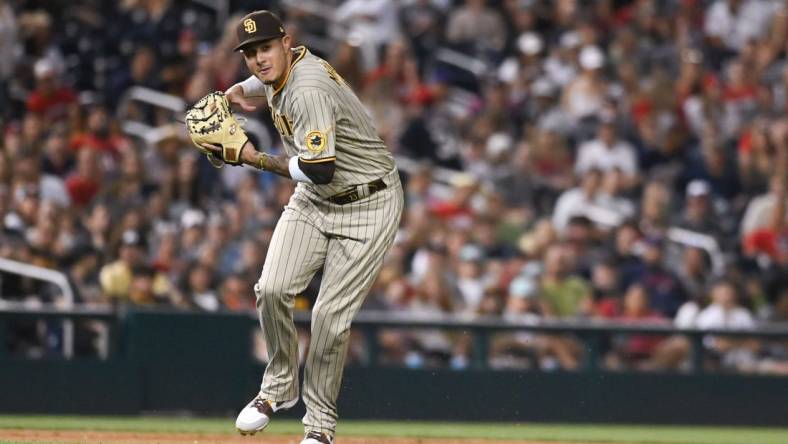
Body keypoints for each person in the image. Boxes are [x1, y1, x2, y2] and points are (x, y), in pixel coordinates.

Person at [197, 11, 404, 444]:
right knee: (271, 289)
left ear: (286, 43)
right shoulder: (292, 64)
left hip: (368, 201)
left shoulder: (307, 89)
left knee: (329, 317)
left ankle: (320, 428)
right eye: (250, 53)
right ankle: (278, 388)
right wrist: (242, 90)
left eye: (265, 48)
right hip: (316, 199)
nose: (258, 59)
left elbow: (322, 169)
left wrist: (253, 159)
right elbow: (271, 80)